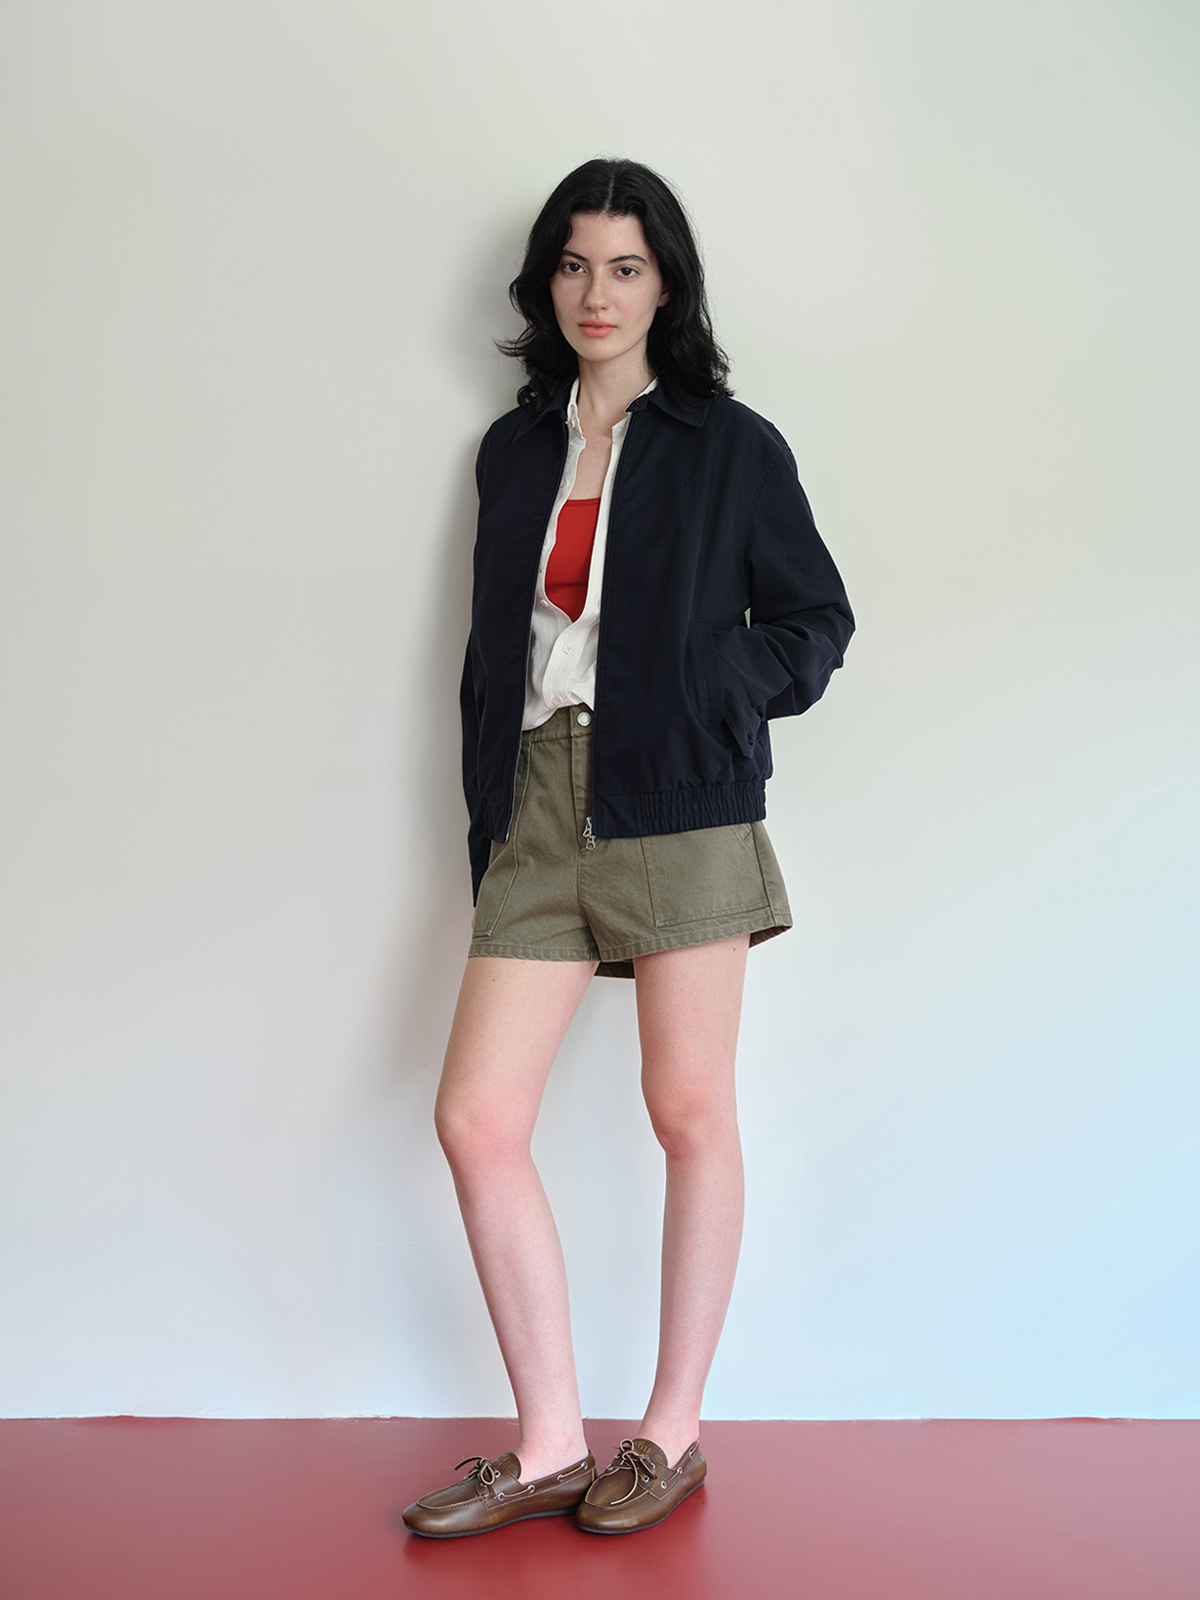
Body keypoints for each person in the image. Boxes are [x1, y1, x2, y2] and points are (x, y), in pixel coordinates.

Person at [402, 158, 853, 1539]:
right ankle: (548, 1444)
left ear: (667, 286)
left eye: (627, 267)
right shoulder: (514, 450)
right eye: (574, 264)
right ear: (546, 281)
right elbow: (494, 656)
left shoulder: (732, 445)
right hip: (540, 801)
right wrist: (492, 814)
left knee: (688, 1109)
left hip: (679, 797)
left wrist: (714, 691)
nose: (596, 293)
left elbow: (814, 622)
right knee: (477, 1119)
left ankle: (669, 1432)